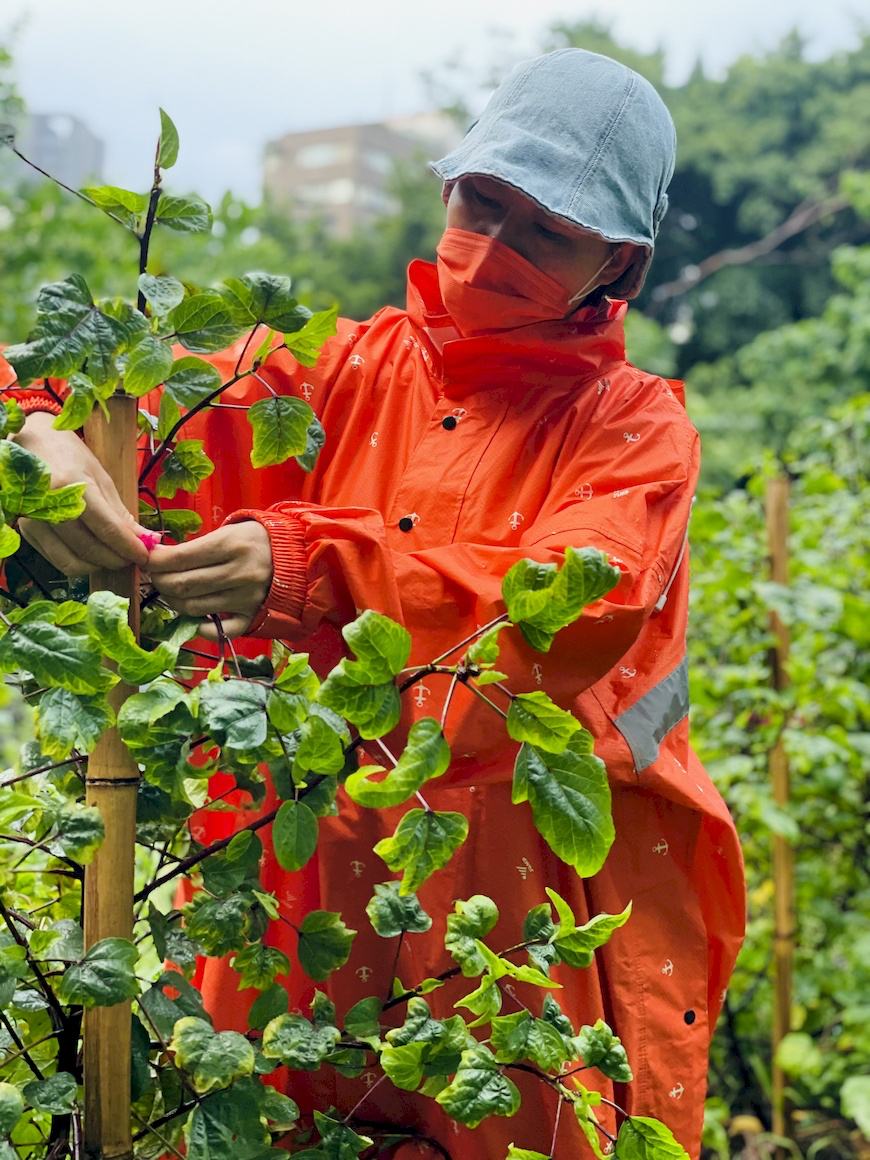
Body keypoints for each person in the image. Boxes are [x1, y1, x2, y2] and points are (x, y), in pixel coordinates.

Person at [2, 49, 745, 1158]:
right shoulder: (329, 372)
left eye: (545, 231)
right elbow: (91, 386)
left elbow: (557, 608)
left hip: (520, 914)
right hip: (299, 882)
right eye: (481, 202)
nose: (492, 248)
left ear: (618, 263)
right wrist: (35, 428)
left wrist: (317, 563)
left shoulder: (633, 430)